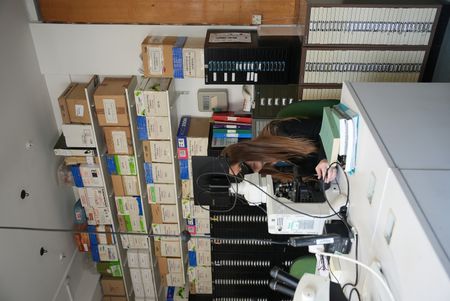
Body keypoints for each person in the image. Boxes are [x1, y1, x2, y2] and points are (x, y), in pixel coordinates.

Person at [221, 117, 337, 183]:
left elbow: (325, 126)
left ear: (244, 149)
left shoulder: (279, 131)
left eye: (243, 163)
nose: (249, 166)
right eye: (244, 172)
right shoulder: (276, 172)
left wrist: (324, 158)